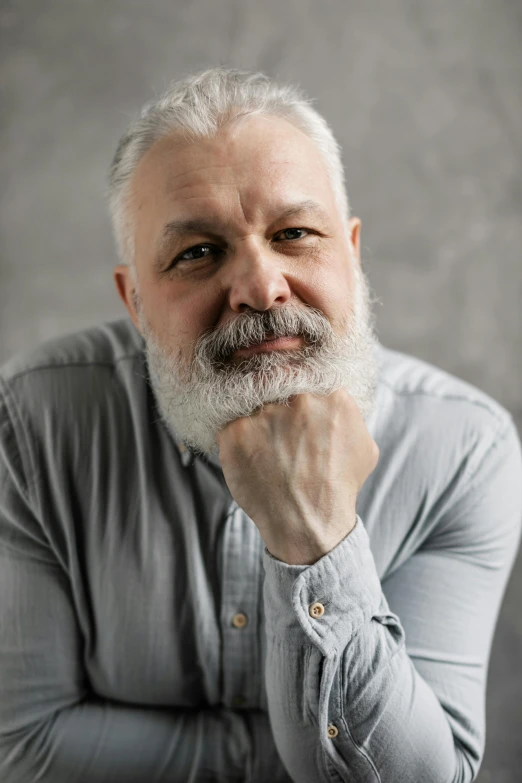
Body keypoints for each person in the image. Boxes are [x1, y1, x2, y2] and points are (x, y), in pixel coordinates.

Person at [0, 66, 520, 783]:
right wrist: (291, 758)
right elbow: (21, 749)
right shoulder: (26, 428)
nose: (259, 286)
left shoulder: (464, 450)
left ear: (352, 252)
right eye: (197, 252)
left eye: (295, 233)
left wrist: (317, 540)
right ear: (135, 302)